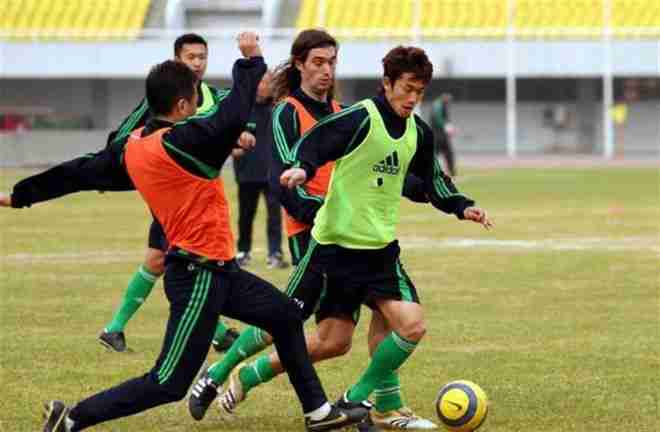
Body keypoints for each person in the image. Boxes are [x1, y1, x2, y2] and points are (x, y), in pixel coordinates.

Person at [39, 34, 368, 432]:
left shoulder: (139, 146)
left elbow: (77, 171)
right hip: (196, 276)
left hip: (219, 271)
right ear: (181, 106)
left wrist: (22, 194)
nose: (200, 102)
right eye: (196, 96)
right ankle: (73, 418)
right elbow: (229, 116)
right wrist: (251, 61)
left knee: (283, 315)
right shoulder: (181, 141)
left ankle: (317, 413)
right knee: (167, 382)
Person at [188, 30, 438, 431]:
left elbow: (374, 173)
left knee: (338, 339)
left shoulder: (344, 111)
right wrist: (319, 209)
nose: (326, 70)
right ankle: (220, 372)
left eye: (332, 62)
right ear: (300, 64)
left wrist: (421, 187)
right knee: (289, 317)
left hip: (352, 232)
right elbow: (282, 178)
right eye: (318, 62)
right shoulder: (288, 112)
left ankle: (384, 406)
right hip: (316, 232)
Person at [275, 45, 492, 427]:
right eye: (407, 88)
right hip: (334, 247)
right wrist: (302, 169)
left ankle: (359, 400)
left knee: (411, 325)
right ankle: (237, 375)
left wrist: (462, 206)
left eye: (419, 92)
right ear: (387, 83)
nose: (412, 98)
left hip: (379, 252)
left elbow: (433, 180)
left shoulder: (419, 132)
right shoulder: (361, 116)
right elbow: (318, 141)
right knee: (311, 333)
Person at [0, 33, 241, 354]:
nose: (197, 63)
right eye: (190, 57)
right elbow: (123, 138)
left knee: (165, 260)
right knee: (176, 260)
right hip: (164, 187)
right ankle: (211, 331)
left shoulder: (213, 96)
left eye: (202, 57)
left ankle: (125, 329)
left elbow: (242, 112)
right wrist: (109, 169)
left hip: (187, 196)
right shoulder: (163, 99)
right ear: (175, 61)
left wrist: (246, 133)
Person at [232, 70, 289, 269]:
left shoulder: (278, 108)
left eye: (268, 82)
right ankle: (243, 252)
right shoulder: (242, 109)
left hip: (272, 173)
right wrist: (233, 148)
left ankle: (275, 253)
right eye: (261, 82)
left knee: (274, 216)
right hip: (247, 173)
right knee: (246, 216)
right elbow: (229, 134)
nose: (264, 86)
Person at [430, 93, 456, 176]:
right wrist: (446, 127)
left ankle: (431, 171)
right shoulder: (438, 105)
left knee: (437, 154)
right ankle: (451, 171)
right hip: (439, 135)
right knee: (447, 153)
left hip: (437, 134)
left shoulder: (438, 104)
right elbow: (438, 118)